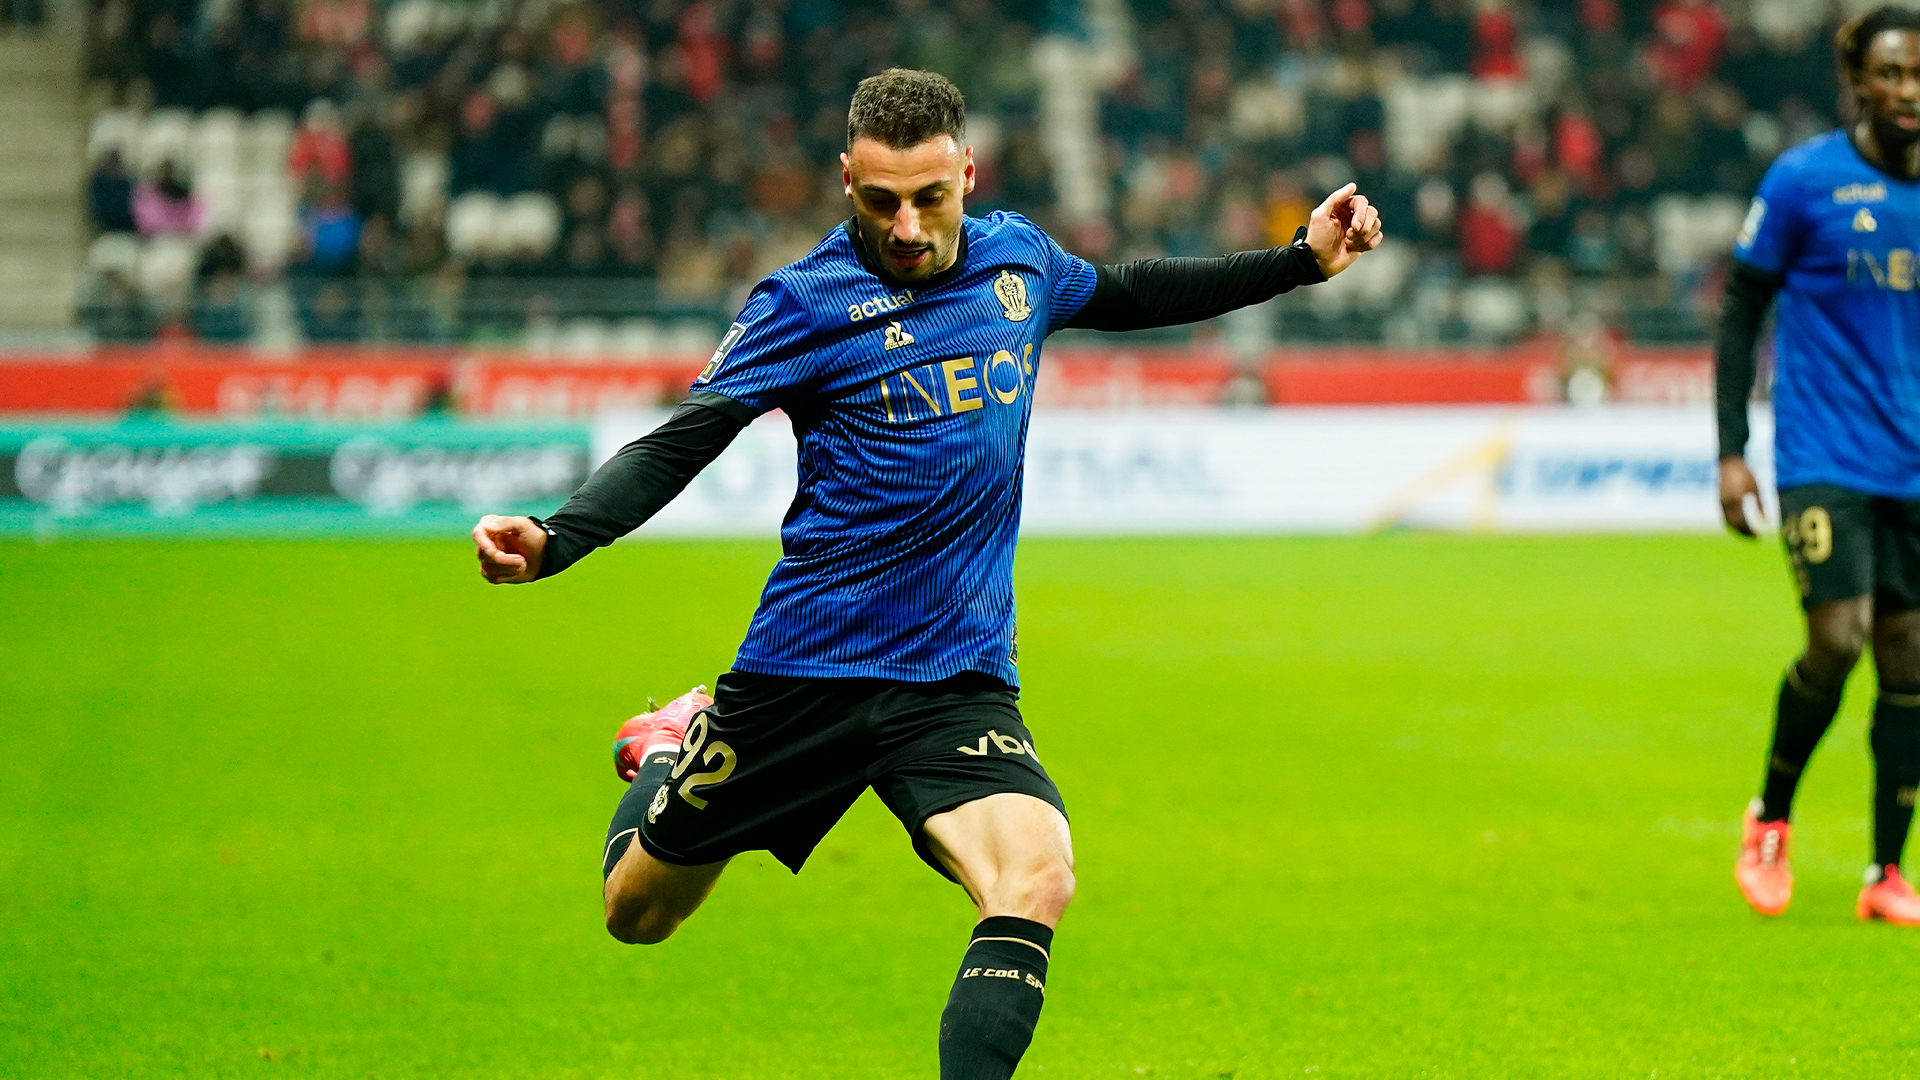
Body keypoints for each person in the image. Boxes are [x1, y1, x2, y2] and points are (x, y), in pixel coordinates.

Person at [470, 68, 1381, 1077]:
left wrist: (1301, 260)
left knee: (1036, 877)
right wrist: (557, 537)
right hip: (803, 674)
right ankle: (663, 751)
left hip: (954, 677)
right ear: (846, 181)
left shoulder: (1018, 261)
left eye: (929, 198)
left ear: (968, 175)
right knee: (637, 914)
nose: (906, 227)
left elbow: (1130, 291)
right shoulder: (801, 303)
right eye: (880, 202)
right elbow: (684, 441)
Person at [1718, 6, 1920, 925]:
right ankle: (1771, 818)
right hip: (1824, 455)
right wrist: (1731, 451)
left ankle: (1886, 871)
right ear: (1857, 81)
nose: (1908, 91)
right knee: (1838, 639)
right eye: (1891, 73)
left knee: (1909, 663)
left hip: (1914, 465)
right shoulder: (1804, 181)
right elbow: (1740, 309)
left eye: (1918, 74)